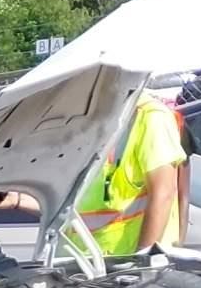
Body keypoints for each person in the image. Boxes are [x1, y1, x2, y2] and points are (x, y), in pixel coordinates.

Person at [73, 91, 190, 255]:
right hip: (89, 260)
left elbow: (164, 193)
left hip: (127, 265)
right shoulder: (93, 120)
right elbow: (82, 204)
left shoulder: (151, 116)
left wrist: (143, 259)